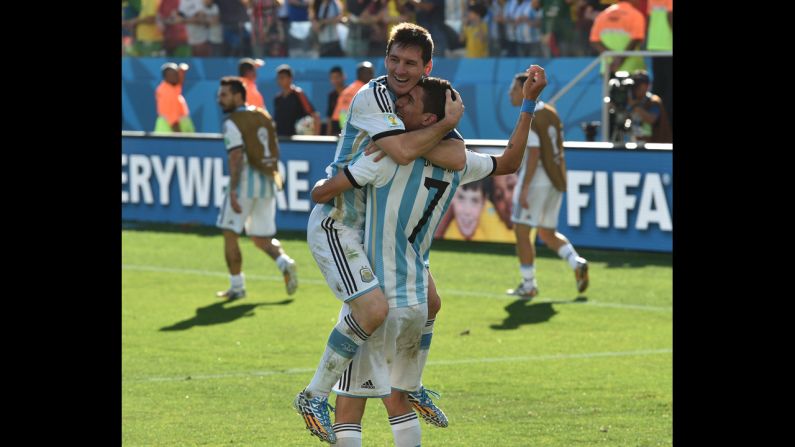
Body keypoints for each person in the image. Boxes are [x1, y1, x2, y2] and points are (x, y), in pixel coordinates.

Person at [309, 66, 546, 446]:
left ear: (430, 119)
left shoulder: (391, 156)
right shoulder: (459, 161)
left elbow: (323, 193)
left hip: (376, 292)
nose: (399, 102)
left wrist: (337, 178)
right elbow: (510, 161)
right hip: (416, 298)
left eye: (409, 101)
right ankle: (415, 385)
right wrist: (529, 102)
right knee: (398, 399)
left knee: (349, 405)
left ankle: (312, 395)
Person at [292, 23, 467, 445]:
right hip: (339, 223)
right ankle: (314, 395)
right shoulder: (372, 96)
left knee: (430, 302)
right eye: (393, 59)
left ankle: (410, 382)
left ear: (427, 66)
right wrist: (442, 125)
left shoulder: (425, 100)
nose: (399, 70)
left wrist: (440, 125)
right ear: (384, 57)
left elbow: (458, 156)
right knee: (373, 313)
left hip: (380, 237)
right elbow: (405, 151)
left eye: (410, 63)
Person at [505, 72, 589, 299]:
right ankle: (576, 262)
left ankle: (528, 284)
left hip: (536, 181)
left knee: (522, 231)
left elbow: (533, 153)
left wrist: (524, 188)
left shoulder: (529, 115)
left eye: (513, 89)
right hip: (555, 179)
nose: (509, 93)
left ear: (525, 90)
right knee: (547, 232)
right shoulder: (550, 112)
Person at [214, 76, 298, 301]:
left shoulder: (233, 122)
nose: (219, 99)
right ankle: (285, 262)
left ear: (238, 95)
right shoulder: (262, 114)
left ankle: (237, 287)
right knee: (261, 238)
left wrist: (232, 190)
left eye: (224, 95)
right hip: (268, 182)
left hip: (244, 185)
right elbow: (274, 148)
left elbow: (236, 157)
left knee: (230, 234)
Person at [589, 0, 646, 75]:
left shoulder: (603, 15)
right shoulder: (635, 15)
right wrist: (619, 60)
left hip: (608, 67)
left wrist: (612, 56)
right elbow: (636, 39)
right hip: (632, 68)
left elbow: (594, 40)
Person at [273, 64, 322, 136]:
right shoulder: (277, 99)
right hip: (281, 140)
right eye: (278, 78)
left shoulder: (299, 94)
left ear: (290, 79)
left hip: (296, 141)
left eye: (283, 77)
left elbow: (315, 116)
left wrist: (316, 139)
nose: (280, 80)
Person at [627, 70, 672, 143]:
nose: (635, 89)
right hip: (638, 143)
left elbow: (651, 119)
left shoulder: (653, 101)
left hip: (657, 147)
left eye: (638, 85)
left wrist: (634, 106)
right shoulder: (631, 100)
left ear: (647, 86)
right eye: (634, 86)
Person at [332, 61, 374, 131]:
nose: (372, 75)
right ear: (361, 74)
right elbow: (342, 114)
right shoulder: (359, 91)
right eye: (369, 72)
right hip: (354, 133)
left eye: (372, 72)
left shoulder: (348, 90)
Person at [154, 62, 196, 133]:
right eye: (173, 74)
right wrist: (179, 138)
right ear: (166, 77)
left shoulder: (173, 87)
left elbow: (180, 79)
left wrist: (182, 70)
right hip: (170, 132)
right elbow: (172, 119)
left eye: (177, 74)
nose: (176, 76)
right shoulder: (166, 92)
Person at [324, 66, 346, 136]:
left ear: (343, 77)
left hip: (348, 134)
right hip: (335, 133)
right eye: (332, 78)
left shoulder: (351, 93)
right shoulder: (331, 96)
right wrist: (328, 135)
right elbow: (329, 117)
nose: (335, 80)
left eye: (337, 77)